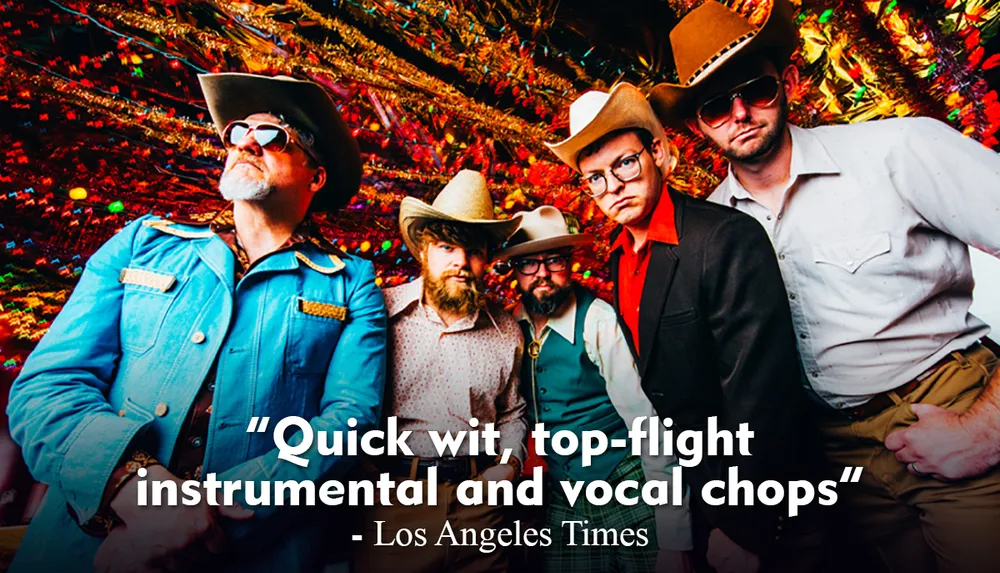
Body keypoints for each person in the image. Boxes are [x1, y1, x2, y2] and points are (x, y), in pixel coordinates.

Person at [649, 0, 1000, 571]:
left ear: (787, 80)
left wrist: (987, 426)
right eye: (716, 105)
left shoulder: (899, 151)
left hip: (944, 414)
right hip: (833, 467)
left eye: (756, 90)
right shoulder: (708, 233)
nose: (739, 112)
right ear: (698, 125)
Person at [5, 73, 387, 573]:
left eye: (273, 136)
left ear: (315, 176)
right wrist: (134, 493)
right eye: (236, 131)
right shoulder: (142, 242)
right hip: (84, 549)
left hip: (249, 556)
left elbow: (349, 425)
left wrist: (199, 524)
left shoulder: (351, 283)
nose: (247, 140)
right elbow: (48, 386)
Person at [544, 80, 828, 573]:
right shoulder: (620, 255)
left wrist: (746, 528)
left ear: (658, 151)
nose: (612, 188)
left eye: (624, 164)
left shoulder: (724, 237)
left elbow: (762, 399)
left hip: (761, 507)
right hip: (698, 499)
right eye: (595, 178)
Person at [497, 205, 693, 573]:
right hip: (565, 497)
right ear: (514, 270)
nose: (542, 274)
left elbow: (647, 425)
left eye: (553, 260)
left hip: (627, 484)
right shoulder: (509, 327)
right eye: (528, 263)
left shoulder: (598, 321)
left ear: (569, 262)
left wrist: (674, 536)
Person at [351, 170, 526, 573]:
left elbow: (512, 411)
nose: (461, 263)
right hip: (393, 506)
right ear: (425, 251)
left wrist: (509, 465)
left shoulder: (506, 331)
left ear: (488, 261)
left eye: (474, 252)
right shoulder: (379, 314)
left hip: (481, 509)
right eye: (448, 247)